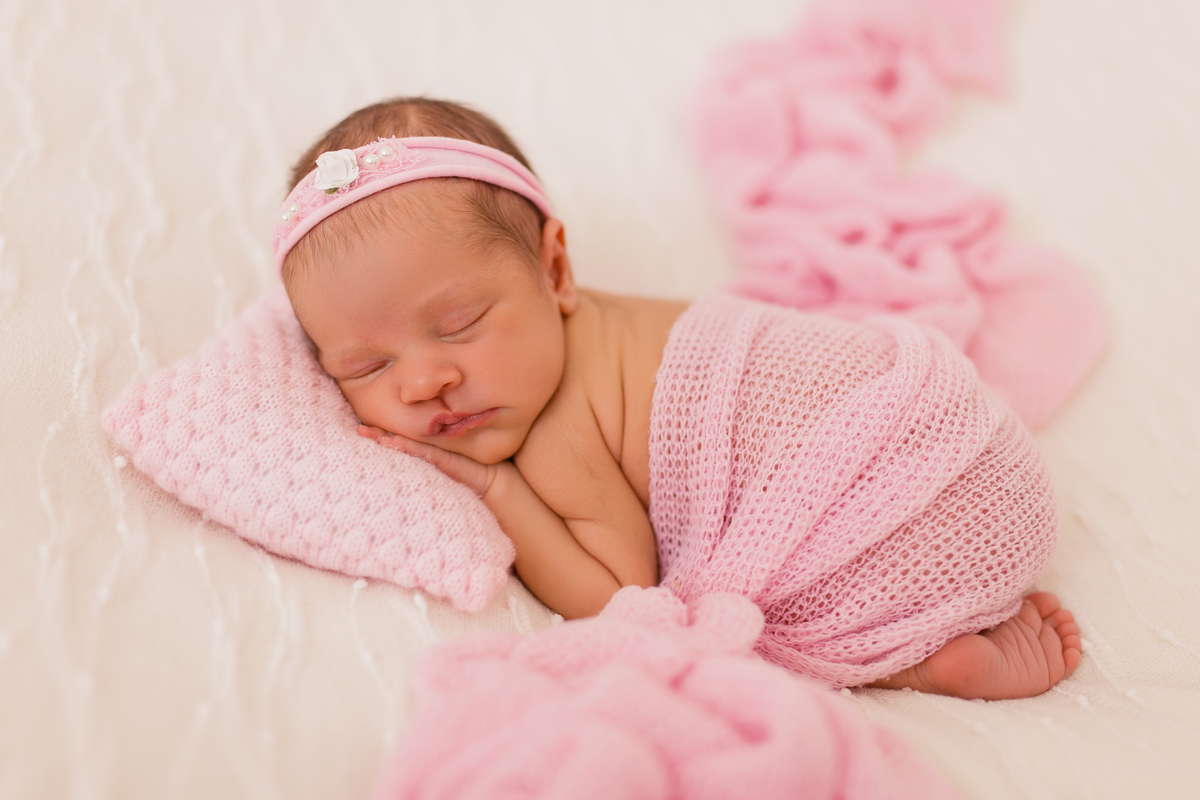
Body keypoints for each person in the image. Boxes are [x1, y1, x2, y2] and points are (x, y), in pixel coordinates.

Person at [275, 96, 1080, 700]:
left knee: (776, 617)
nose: (423, 383)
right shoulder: (598, 322)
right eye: (365, 367)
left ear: (555, 271)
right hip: (974, 438)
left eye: (460, 325)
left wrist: (499, 489)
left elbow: (619, 595)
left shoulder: (556, 433)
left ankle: (915, 659)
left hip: (899, 475)